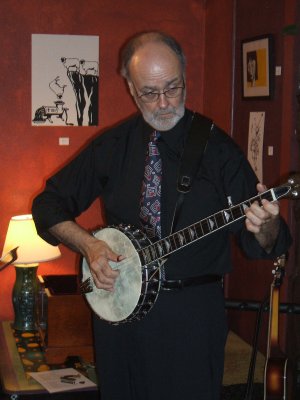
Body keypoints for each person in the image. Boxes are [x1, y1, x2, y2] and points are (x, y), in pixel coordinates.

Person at [32, 31, 292, 400]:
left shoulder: (218, 150)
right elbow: (47, 205)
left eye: (173, 87)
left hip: (190, 318)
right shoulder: (113, 146)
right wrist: (88, 245)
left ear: (184, 76)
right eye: (150, 93)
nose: (165, 102)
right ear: (131, 88)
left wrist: (266, 225)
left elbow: (263, 245)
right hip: (118, 315)